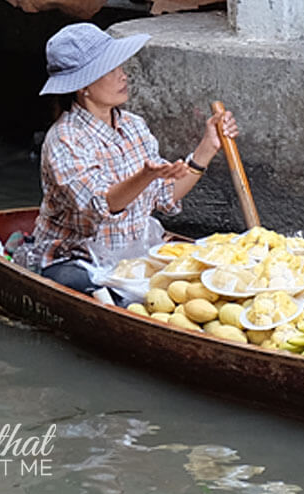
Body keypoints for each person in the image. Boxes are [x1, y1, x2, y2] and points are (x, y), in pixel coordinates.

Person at [26, 22, 238, 298]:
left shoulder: (134, 125)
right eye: (111, 70)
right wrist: (145, 176)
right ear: (83, 86)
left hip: (132, 258)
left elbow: (165, 195)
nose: (123, 76)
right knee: (111, 297)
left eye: (120, 67)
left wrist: (207, 148)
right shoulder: (64, 139)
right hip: (75, 260)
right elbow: (102, 204)